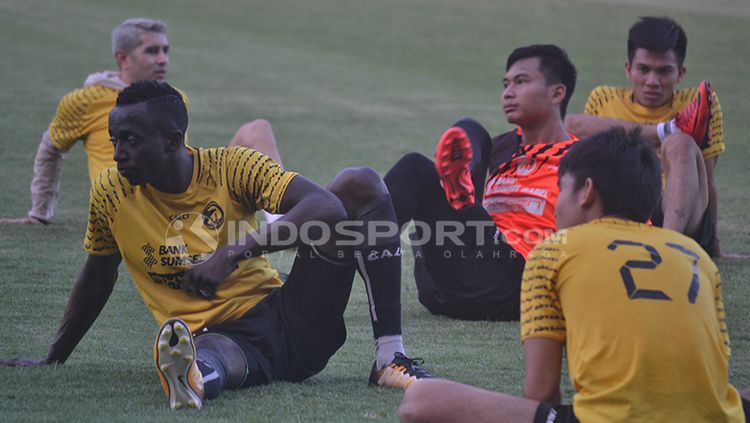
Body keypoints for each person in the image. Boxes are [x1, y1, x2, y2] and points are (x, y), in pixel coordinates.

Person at [0, 81, 431, 410]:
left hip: (293, 316)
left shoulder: (230, 167)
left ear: (172, 140)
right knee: (209, 356)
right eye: (115, 140)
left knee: (359, 182)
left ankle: (389, 359)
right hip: (214, 335)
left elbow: (327, 207)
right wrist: (52, 357)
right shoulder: (111, 194)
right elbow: (97, 277)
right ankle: (192, 379)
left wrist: (232, 253)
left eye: (131, 140)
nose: (118, 153)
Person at [398, 127, 749, 423]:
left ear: (586, 192)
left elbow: (541, 392)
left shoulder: (554, 253)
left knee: (421, 399)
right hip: (719, 415)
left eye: (561, 188)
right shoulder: (695, 258)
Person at [0, 17, 282, 225]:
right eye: (152, 51)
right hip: (135, 205)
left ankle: (280, 221)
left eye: (165, 51)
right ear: (123, 57)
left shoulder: (174, 98)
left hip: (183, 194)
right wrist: (40, 213)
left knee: (257, 130)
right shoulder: (86, 101)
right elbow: (51, 148)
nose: (163, 60)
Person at [384, 44, 578, 321]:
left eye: (521, 82)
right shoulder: (498, 148)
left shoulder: (584, 160)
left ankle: (342, 247)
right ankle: (458, 194)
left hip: (516, 284)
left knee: (417, 167)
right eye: (505, 84)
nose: (508, 92)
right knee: (469, 131)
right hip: (449, 276)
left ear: (557, 93)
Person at [565, 16, 723, 257]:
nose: (652, 81)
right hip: (622, 209)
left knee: (679, 143)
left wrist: (714, 245)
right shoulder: (604, 98)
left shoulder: (697, 102)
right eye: (643, 69)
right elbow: (574, 132)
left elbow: (708, 182)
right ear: (628, 69)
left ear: (681, 73)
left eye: (664, 71)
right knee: (572, 123)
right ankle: (667, 128)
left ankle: (666, 248)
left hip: (677, 213)